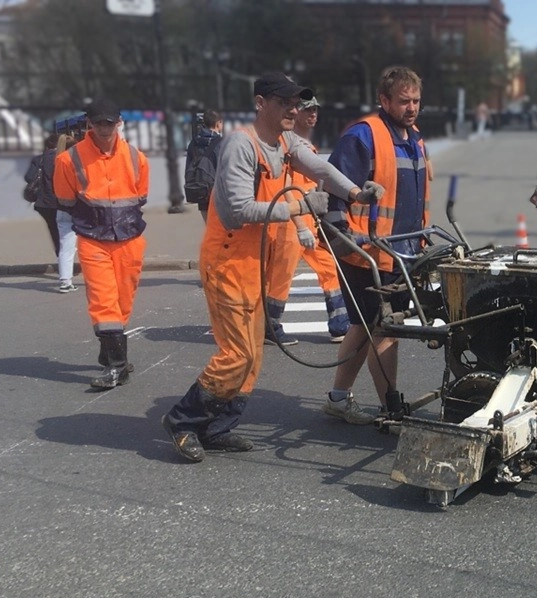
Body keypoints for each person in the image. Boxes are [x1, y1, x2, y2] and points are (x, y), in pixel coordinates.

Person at [162, 72, 384, 463]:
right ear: (261, 103)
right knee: (237, 354)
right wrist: (299, 207)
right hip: (227, 259)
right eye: (285, 103)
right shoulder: (240, 145)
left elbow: (319, 168)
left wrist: (353, 191)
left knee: (253, 356)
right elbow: (236, 211)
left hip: (254, 260)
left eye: (296, 104)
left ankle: (217, 428)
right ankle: (182, 420)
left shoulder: (285, 142)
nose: (293, 110)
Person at [320, 65, 430, 427]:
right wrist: (344, 240)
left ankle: (338, 398)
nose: (411, 107)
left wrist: (421, 239)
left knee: (364, 325)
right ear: (384, 100)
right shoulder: (363, 136)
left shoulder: (414, 137)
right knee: (384, 329)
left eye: (415, 100)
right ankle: (390, 407)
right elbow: (335, 192)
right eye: (403, 101)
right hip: (365, 254)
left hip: (400, 251)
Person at [53, 98, 150, 390]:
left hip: (130, 240)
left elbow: (140, 195)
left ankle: (110, 350)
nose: (105, 129)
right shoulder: (69, 160)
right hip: (93, 240)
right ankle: (117, 366)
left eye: (110, 123)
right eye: (99, 123)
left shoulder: (136, 158)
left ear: (118, 122)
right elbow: (66, 199)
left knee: (123, 301)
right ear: (89, 124)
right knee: (103, 301)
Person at [263, 96, 351, 345]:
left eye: (315, 110)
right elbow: (287, 185)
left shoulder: (303, 145)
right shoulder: (287, 147)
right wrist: (300, 226)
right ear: (295, 113)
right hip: (291, 223)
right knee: (280, 277)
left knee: (329, 268)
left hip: (308, 222)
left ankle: (339, 323)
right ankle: (269, 324)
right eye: (307, 110)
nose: (313, 114)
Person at [25, 133, 73, 290]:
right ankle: (66, 269)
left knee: (55, 232)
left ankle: (63, 264)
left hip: (43, 204)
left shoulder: (39, 158)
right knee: (68, 235)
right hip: (61, 202)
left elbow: (28, 177)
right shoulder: (64, 157)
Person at [184, 109, 224, 222]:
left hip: (201, 193)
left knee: (209, 228)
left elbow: (188, 167)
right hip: (218, 195)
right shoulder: (221, 143)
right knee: (222, 232)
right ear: (218, 123)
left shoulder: (193, 142)